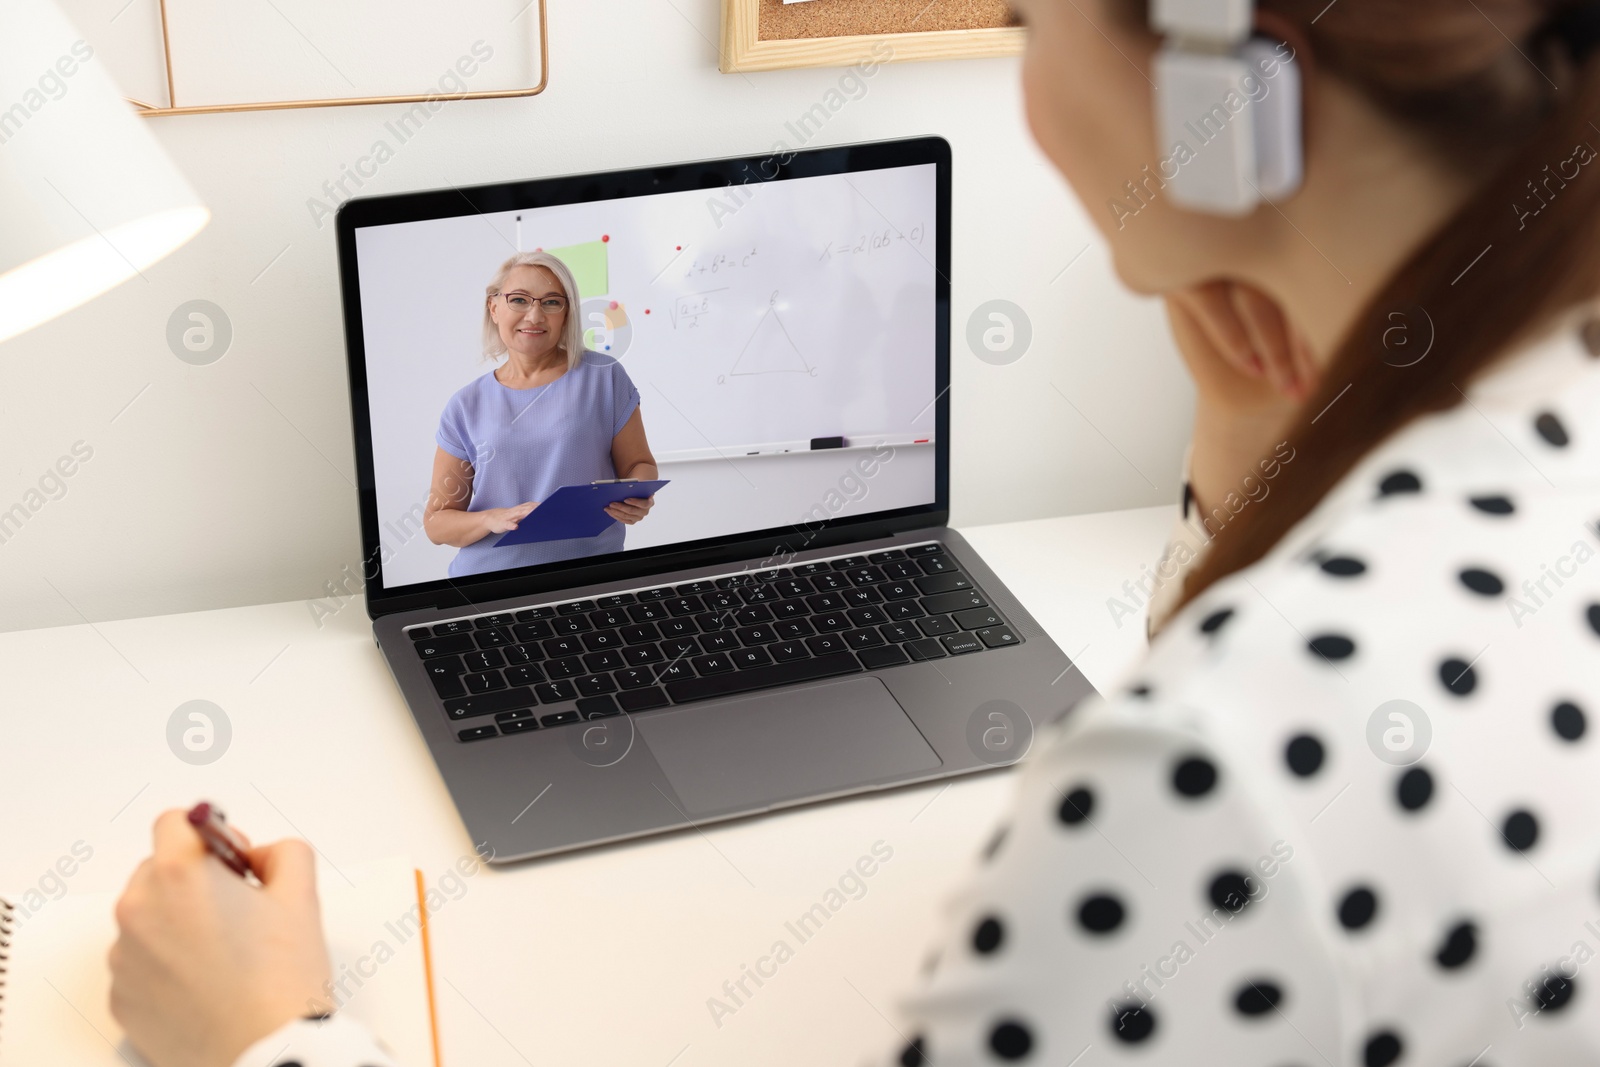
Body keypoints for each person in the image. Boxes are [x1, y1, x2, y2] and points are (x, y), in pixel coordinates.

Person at [111, 0, 1600, 1063]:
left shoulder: (1218, 781)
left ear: (1218, 94)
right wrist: (1253, 408)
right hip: (500, 599)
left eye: (1027, 18)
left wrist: (264, 1035)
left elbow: (643, 483)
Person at [422, 250, 658, 578]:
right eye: (519, 300)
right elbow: (437, 522)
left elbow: (639, 466)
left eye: (551, 302)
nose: (534, 316)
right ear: (494, 307)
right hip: (489, 583)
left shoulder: (603, 376)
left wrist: (637, 494)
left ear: (567, 313)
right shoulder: (466, 405)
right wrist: (490, 519)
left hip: (591, 575)